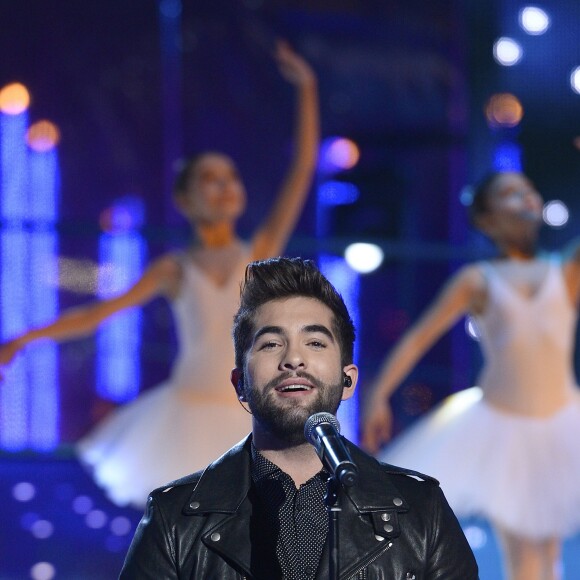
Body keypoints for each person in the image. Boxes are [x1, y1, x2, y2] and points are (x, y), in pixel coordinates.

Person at [0, 40, 319, 509]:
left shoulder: (259, 254)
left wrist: (307, 88)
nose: (226, 187)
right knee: (189, 530)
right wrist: (24, 338)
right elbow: (98, 314)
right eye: (211, 179)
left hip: (245, 411)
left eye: (231, 178)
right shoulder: (175, 268)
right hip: (185, 414)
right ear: (187, 200)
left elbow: (301, 170)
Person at [119, 257, 478, 579]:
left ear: (348, 380)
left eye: (315, 343)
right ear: (240, 384)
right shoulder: (176, 519)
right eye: (271, 344)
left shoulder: (420, 511)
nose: (294, 359)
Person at [362, 171, 580, 580]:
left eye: (529, 190)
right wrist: (378, 395)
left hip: (563, 422)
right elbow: (417, 339)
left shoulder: (565, 270)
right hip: (505, 430)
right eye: (510, 194)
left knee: (549, 553)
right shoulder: (478, 280)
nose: (526, 198)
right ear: (485, 220)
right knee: (524, 554)